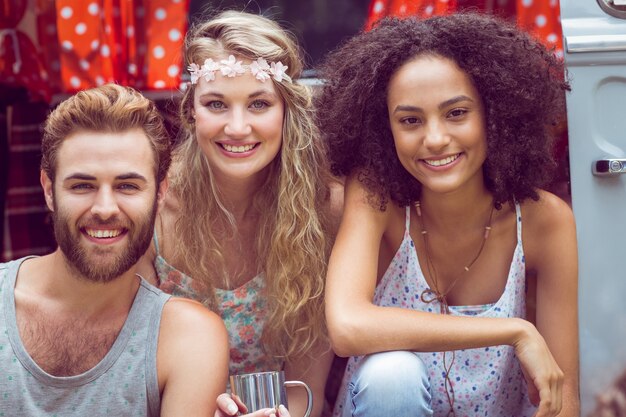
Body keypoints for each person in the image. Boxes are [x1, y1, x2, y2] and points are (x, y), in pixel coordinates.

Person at [317, 13, 579, 417]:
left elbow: (561, 401)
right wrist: (517, 331)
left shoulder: (546, 221)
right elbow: (347, 327)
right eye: (410, 120)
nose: (435, 139)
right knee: (392, 374)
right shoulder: (377, 197)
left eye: (457, 113)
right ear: (384, 128)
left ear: (496, 114)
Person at [136, 10, 340, 417]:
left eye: (259, 104)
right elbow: (136, 364)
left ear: (286, 111)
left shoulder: (322, 210)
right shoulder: (153, 205)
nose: (238, 127)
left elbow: (307, 387)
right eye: (216, 104)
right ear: (192, 111)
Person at [0, 84, 231, 416]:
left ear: (160, 193)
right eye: (82, 185)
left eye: (127, 186)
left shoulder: (186, 338)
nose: (105, 208)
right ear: (49, 191)